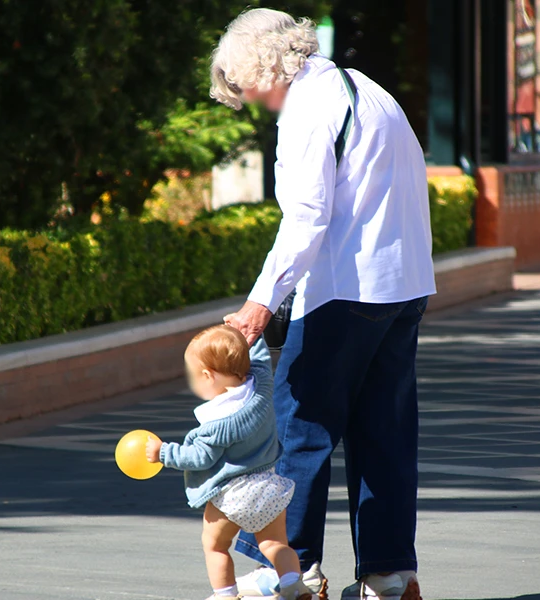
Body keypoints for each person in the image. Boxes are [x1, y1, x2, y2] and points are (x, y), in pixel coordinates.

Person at [210, 8, 436, 600]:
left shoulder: (308, 110)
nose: (250, 100)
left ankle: (292, 570)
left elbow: (306, 217)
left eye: (243, 83)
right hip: (403, 284)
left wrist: (261, 303)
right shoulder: (366, 89)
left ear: (262, 63)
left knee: (300, 433)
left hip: (343, 289)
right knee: (384, 433)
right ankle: (390, 576)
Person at [145, 325, 312, 600]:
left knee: (215, 546)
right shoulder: (261, 389)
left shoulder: (216, 424)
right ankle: (294, 584)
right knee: (275, 544)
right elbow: (258, 359)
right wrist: (246, 331)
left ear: (208, 376)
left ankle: (225, 594)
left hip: (231, 496)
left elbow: (198, 457)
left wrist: (163, 452)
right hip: (268, 487)